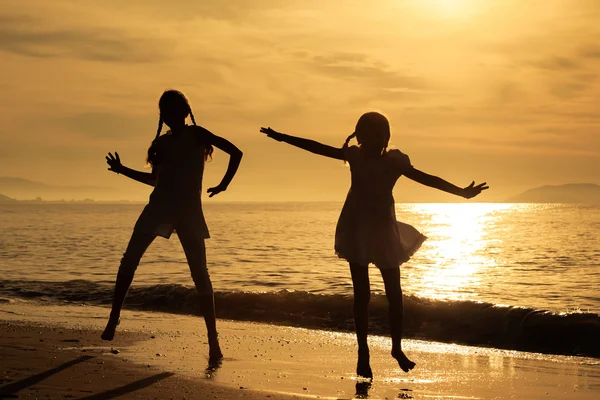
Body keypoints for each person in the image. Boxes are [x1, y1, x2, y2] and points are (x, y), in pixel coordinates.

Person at [260, 112, 487, 378]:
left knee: (395, 295)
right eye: (370, 134)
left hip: (383, 231)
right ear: (360, 135)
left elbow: (427, 178)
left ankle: (397, 348)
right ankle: (363, 353)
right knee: (362, 296)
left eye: (381, 134)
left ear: (386, 137)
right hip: (356, 229)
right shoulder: (354, 156)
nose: (376, 139)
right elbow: (317, 148)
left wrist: (461, 192)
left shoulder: (395, 162)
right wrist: (282, 138)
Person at [102, 90, 242, 362]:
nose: (169, 116)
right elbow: (155, 181)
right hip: (158, 208)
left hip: (188, 212)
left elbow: (236, 152)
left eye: (173, 110)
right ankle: (114, 317)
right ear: (162, 116)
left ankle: (213, 341)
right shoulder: (161, 143)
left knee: (200, 274)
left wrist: (224, 184)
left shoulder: (198, 134)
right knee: (128, 261)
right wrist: (122, 170)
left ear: (185, 112)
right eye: (165, 112)